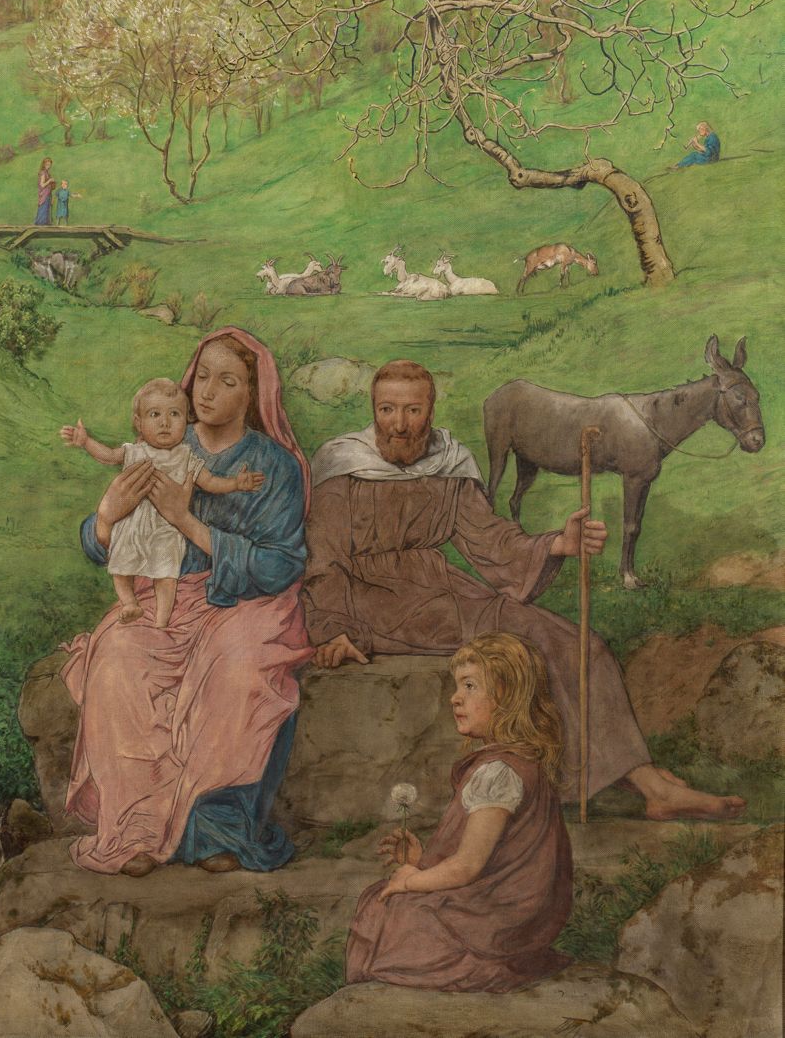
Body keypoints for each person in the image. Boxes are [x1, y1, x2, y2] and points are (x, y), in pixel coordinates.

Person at [305, 359, 744, 821]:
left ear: (430, 411)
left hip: (441, 590)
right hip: (372, 601)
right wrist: (333, 629)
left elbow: (490, 539)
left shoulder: (447, 463)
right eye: (387, 410)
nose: (399, 424)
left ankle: (640, 778)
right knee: (534, 646)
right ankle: (649, 786)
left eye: (412, 411)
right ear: (373, 410)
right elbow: (322, 561)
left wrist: (557, 544)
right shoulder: (343, 467)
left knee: (583, 645)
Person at [62, 327, 311, 875]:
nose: (208, 391)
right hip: (167, 595)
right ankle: (135, 828)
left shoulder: (275, 466)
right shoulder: (163, 444)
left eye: (228, 381)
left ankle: (218, 833)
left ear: (254, 393)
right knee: (118, 658)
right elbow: (109, 538)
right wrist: (104, 518)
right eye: (203, 377)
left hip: (248, 603)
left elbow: (281, 566)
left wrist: (185, 520)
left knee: (236, 667)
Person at [347, 635, 572, 991]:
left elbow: (468, 866)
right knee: (391, 902)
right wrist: (423, 862)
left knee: (385, 906)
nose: (455, 698)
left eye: (470, 686)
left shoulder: (498, 772)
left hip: (497, 922)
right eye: (457, 687)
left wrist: (410, 880)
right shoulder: (524, 761)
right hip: (510, 915)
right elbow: (494, 855)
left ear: (508, 695)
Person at [60, 378, 265, 627]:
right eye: (154, 414)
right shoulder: (135, 452)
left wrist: (235, 483)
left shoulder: (185, 457)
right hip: (132, 527)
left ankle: (161, 621)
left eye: (174, 414)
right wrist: (85, 441)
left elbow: (210, 482)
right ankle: (129, 603)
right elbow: (109, 456)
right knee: (121, 567)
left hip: (165, 531)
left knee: (167, 576)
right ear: (139, 423)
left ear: (186, 420)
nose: (165, 423)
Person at [34, 158, 55, 226]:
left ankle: (45, 223)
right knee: (43, 207)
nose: (48, 166)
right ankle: (41, 223)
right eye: (47, 164)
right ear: (44, 164)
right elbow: (42, 185)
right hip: (44, 194)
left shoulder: (47, 173)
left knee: (47, 208)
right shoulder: (43, 173)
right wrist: (49, 181)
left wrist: (52, 183)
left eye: (49, 165)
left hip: (48, 193)